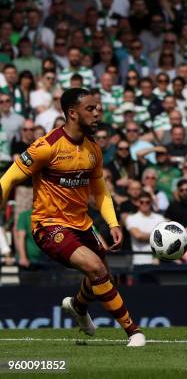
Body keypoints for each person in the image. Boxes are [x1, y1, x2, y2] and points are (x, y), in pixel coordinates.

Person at [0, 88, 145, 346]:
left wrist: (112, 222)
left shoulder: (93, 150)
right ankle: (133, 331)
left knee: (103, 276)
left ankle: (78, 307)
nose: (97, 112)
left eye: (98, 107)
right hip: (49, 225)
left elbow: (100, 191)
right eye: (90, 108)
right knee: (96, 268)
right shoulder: (46, 147)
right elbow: (9, 177)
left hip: (83, 224)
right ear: (72, 113)